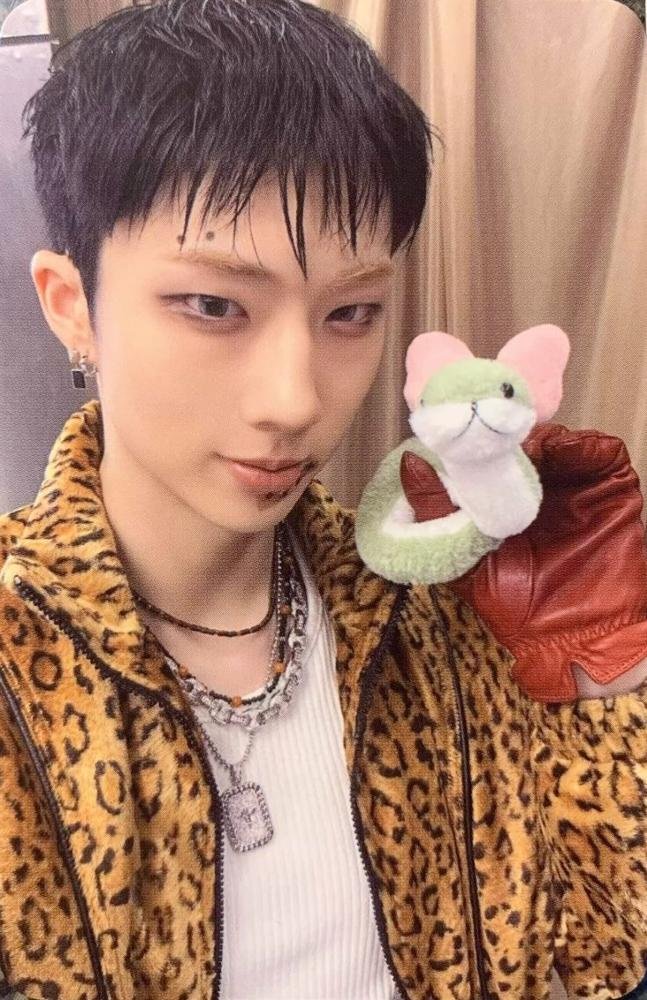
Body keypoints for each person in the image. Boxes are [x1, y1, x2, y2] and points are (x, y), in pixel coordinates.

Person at [0, 1, 645, 998]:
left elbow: (604, 954)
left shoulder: (430, 620)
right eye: (213, 304)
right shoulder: (19, 666)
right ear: (71, 305)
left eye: (351, 312)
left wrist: (605, 688)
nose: (296, 400)